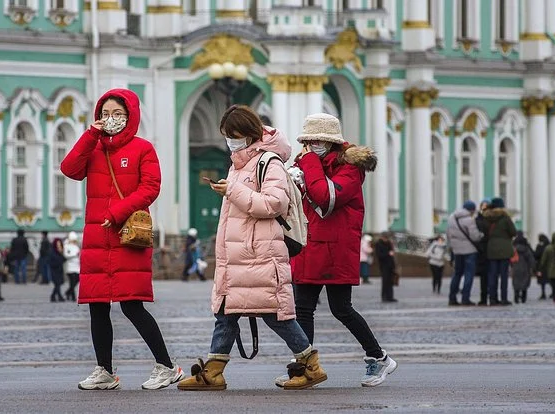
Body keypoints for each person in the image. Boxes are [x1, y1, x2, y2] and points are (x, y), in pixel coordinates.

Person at [177, 105, 327, 391]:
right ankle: (214, 371)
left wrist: (232, 190)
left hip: (259, 254)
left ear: (248, 134)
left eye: (233, 135)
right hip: (239, 255)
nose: (230, 142)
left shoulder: (268, 162)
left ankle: (311, 365)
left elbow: (273, 204)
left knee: (275, 315)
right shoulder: (238, 164)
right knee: (225, 312)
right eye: (226, 136)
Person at [61, 88, 183, 390]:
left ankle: (167, 366)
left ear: (130, 117)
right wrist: (91, 135)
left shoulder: (143, 149)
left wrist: (117, 212)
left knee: (132, 305)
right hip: (96, 239)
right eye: (105, 114)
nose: (110, 119)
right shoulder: (94, 147)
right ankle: (104, 370)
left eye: (117, 114)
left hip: (128, 236)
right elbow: (69, 169)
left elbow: (150, 188)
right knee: (97, 305)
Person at [285, 112, 396, 388]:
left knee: (341, 309)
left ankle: (378, 357)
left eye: (317, 140)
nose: (312, 145)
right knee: (303, 309)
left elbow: (326, 198)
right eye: (309, 140)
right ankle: (305, 368)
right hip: (311, 246)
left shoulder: (350, 169)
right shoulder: (312, 164)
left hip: (336, 249)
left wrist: (308, 165)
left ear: (330, 142)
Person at [446, 201, 483, 306]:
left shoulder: (451, 218)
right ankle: (465, 298)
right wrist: (481, 235)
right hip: (469, 251)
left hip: (457, 250)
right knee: (468, 274)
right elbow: (475, 236)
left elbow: (448, 234)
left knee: (457, 274)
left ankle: (452, 298)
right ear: (471, 210)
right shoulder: (469, 220)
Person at [483, 197, 517, 306]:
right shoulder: (505, 218)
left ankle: (492, 299)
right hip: (504, 250)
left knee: (492, 275)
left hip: (491, 249)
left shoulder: (486, 218)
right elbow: (513, 232)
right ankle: (503, 298)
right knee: (504, 276)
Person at [539, 232, 555, 304]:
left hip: (551, 271)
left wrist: (541, 267)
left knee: (553, 285)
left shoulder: (548, 248)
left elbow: (543, 259)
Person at [475, 199, 491, 306]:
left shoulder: (491, 220)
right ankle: (484, 298)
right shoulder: (478, 220)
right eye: (483, 207)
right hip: (482, 252)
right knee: (484, 277)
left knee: (491, 276)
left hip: (491, 250)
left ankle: (493, 297)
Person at [511, 231, 534, 304]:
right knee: (524, 283)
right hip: (525, 268)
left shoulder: (513, 248)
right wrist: (533, 267)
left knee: (516, 282)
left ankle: (516, 296)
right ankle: (523, 297)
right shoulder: (526, 248)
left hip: (515, 267)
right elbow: (531, 259)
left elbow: (510, 258)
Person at [375, 232, 397, 303]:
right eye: (385, 237)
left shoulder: (389, 243)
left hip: (390, 265)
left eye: (387, 238)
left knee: (390, 282)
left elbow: (392, 254)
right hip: (384, 265)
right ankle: (384, 297)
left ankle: (390, 297)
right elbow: (379, 255)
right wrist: (388, 253)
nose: (386, 239)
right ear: (382, 237)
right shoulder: (378, 244)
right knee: (385, 281)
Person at [63, 231, 81, 301]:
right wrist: (74, 255)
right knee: (72, 282)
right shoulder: (66, 246)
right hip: (70, 267)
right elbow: (66, 255)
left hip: (76, 267)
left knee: (76, 281)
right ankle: (73, 296)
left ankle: (68, 293)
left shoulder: (76, 246)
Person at [48, 238, 67, 302]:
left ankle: (53, 296)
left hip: (59, 270)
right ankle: (59, 297)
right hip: (54, 270)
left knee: (58, 284)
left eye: (60, 244)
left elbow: (64, 260)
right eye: (57, 244)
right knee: (57, 284)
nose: (58, 246)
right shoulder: (52, 252)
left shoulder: (59, 252)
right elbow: (52, 262)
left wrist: (61, 252)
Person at [534, 234, 551, 300]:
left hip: (541, 266)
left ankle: (543, 293)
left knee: (542, 281)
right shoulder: (549, 245)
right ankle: (554, 292)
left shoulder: (540, 246)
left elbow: (536, 255)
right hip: (549, 266)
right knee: (550, 280)